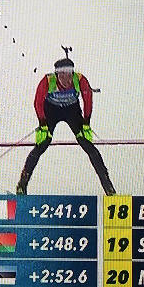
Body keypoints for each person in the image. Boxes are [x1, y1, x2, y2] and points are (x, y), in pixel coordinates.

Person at [16, 50, 115, 196]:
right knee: (43, 143)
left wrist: (86, 123)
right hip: (51, 110)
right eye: (62, 74)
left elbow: (88, 100)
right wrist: (43, 124)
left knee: (86, 143)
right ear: (57, 74)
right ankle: (21, 185)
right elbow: (37, 103)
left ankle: (109, 188)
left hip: (71, 110)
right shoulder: (47, 80)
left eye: (69, 74)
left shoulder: (80, 79)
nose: (66, 79)